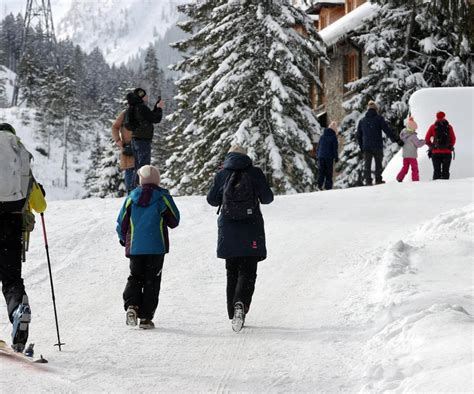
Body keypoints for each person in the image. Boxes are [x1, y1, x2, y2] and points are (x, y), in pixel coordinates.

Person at [206, 145, 273, 332]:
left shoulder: (222, 174)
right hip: (251, 227)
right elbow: (267, 198)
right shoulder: (255, 172)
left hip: (228, 229)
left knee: (232, 271)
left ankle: (233, 311)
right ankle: (241, 304)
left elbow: (212, 200)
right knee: (248, 271)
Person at [0, 123, 46, 352]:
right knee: (11, 279)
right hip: (12, 223)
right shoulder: (21, 164)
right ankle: (18, 309)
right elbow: (41, 205)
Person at [116, 165, 180, 329]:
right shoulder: (162, 198)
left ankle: (132, 306)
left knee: (135, 276)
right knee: (152, 281)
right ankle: (145, 318)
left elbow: (121, 222)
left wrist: (124, 239)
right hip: (156, 247)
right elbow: (174, 220)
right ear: (157, 180)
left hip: (136, 247)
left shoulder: (131, 198)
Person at [357, 101, 403, 186]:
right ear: (376, 109)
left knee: (367, 164)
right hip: (377, 145)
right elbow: (387, 130)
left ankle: (368, 181)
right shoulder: (379, 119)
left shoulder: (362, 121)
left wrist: (361, 147)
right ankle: (378, 179)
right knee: (378, 163)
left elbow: (358, 135)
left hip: (366, 146)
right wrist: (396, 139)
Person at [125, 88, 164, 186]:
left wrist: (156, 107)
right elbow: (155, 118)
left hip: (135, 139)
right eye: (145, 95)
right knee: (143, 167)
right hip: (143, 140)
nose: (147, 97)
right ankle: (140, 189)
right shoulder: (141, 107)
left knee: (138, 166)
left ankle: (134, 189)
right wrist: (159, 108)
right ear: (141, 96)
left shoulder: (133, 107)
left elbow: (149, 117)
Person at [425, 111, 456, 180]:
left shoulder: (433, 127)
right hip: (447, 153)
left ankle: (436, 189)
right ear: (444, 117)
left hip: (435, 153)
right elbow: (453, 138)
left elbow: (426, 139)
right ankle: (445, 189)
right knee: (446, 172)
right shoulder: (449, 127)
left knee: (437, 172)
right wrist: (450, 146)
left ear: (436, 117)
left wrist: (431, 146)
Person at [112, 108, 135, 193]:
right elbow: (115, 126)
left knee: (140, 169)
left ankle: (139, 195)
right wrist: (118, 140)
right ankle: (130, 195)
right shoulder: (125, 113)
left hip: (140, 145)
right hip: (128, 146)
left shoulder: (142, 110)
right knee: (129, 169)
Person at [396, 116, 425, 182]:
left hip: (405, 155)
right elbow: (418, 144)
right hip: (412, 155)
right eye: (415, 129)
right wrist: (424, 141)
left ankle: (399, 177)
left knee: (405, 167)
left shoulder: (403, 133)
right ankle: (415, 180)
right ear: (412, 129)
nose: (415, 130)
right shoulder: (413, 136)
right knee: (414, 168)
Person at [317, 121, 339, 190]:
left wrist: (318, 155)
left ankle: (319, 185)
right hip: (329, 157)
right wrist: (336, 157)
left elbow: (318, 147)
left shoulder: (322, 136)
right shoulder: (333, 137)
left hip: (321, 156)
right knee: (329, 173)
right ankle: (328, 187)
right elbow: (334, 148)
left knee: (321, 171)